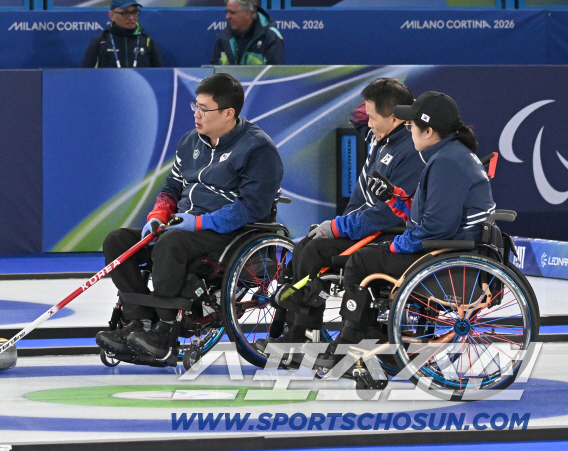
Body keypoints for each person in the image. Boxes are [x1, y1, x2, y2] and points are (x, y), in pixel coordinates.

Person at [95, 72, 284, 364]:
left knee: (173, 243)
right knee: (117, 240)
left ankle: (164, 332)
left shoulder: (258, 149)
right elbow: (171, 188)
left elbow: (252, 207)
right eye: (194, 106)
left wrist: (202, 223)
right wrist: (158, 215)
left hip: (228, 231)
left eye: (204, 109)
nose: (196, 114)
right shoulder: (189, 142)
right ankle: (138, 323)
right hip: (183, 224)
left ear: (228, 113)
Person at [315, 91, 494, 370]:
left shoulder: (447, 162)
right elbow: (430, 214)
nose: (408, 130)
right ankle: (375, 338)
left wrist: (397, 245)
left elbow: (436, 227)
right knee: (371, 255)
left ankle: (354, 337)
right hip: (446, 250)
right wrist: (396, 199)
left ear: (429, 131)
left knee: (362, 259)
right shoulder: (448, 155)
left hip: (446, 258)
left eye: (412, 125)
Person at [260, 79, 421, 355]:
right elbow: (356, 116)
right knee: (301, 248)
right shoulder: (378, 137)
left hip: (386, 231)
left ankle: (301, 337)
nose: (367, 123)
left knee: (315, 252)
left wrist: (337, 227)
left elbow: (385, 215)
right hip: (362, 224)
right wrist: (385, 93)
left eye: (373, 116)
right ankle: (288, 331)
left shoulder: (409, 152)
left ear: (394, 117)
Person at [81, 0, 164, 68]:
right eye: (125, 13)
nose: (131, 18)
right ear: (112, 15)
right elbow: (86, 75)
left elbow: (158, 75)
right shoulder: (100, 41)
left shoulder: (147, 41)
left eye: (134, 12)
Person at [211, 0, 284, 65]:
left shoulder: (270, 36)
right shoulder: (225, 37)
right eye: (227, 12)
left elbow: (275, 74)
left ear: (247, 14)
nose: (227, 17)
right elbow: (214, 70)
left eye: (232, 12)